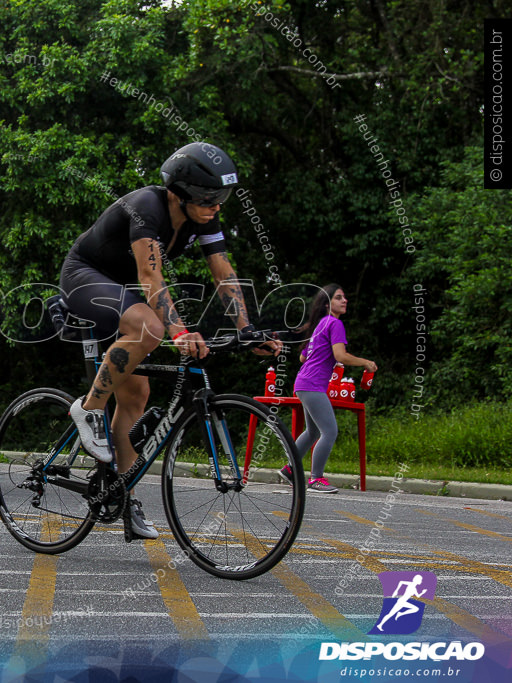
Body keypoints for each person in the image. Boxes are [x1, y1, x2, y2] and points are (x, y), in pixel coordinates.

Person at [61, 142, 280, 539]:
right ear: (180, 192)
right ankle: (88, 409)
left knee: (135, 398)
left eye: (222, 198)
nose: (217, 206)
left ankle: (122, 495)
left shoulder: (204, 218)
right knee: (151, 327)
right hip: (85, 275)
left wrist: (247, 330)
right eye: (209, 198)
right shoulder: (146, 208)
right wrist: (179, 331)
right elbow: (151, 279)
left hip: (121, 291)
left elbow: (224, 274)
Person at [279, 283, 377, 493]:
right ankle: (316, 479)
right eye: (339, 297)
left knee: (313, 431)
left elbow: (303, 356)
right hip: (313, 385)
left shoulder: (321, 324)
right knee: (330, 431)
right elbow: (341, 355)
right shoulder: (334, 324)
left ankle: (289, 469)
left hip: (304, 382)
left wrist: (325, 357)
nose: (344, 300)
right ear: (327, 304)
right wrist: (366, 363)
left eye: (344, 297)